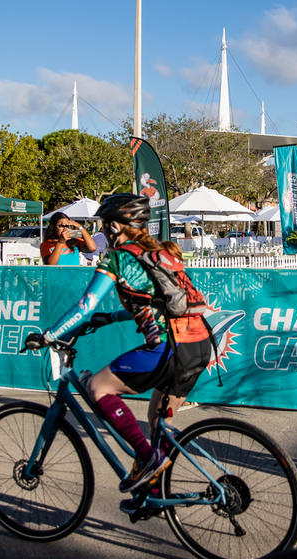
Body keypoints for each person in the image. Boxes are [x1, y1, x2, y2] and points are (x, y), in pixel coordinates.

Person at [23, 194, 213, 503]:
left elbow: (85, 305)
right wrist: (111, 317)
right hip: (199, 344)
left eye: (103, 225)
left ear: (113, 226)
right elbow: (157, 304)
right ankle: (154, 495)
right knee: (157, 422)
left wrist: (48, 335)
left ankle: (147, 458)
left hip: (169, 349)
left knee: (98, 387)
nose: (103, 231)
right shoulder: (162, 252)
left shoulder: (118, 258)